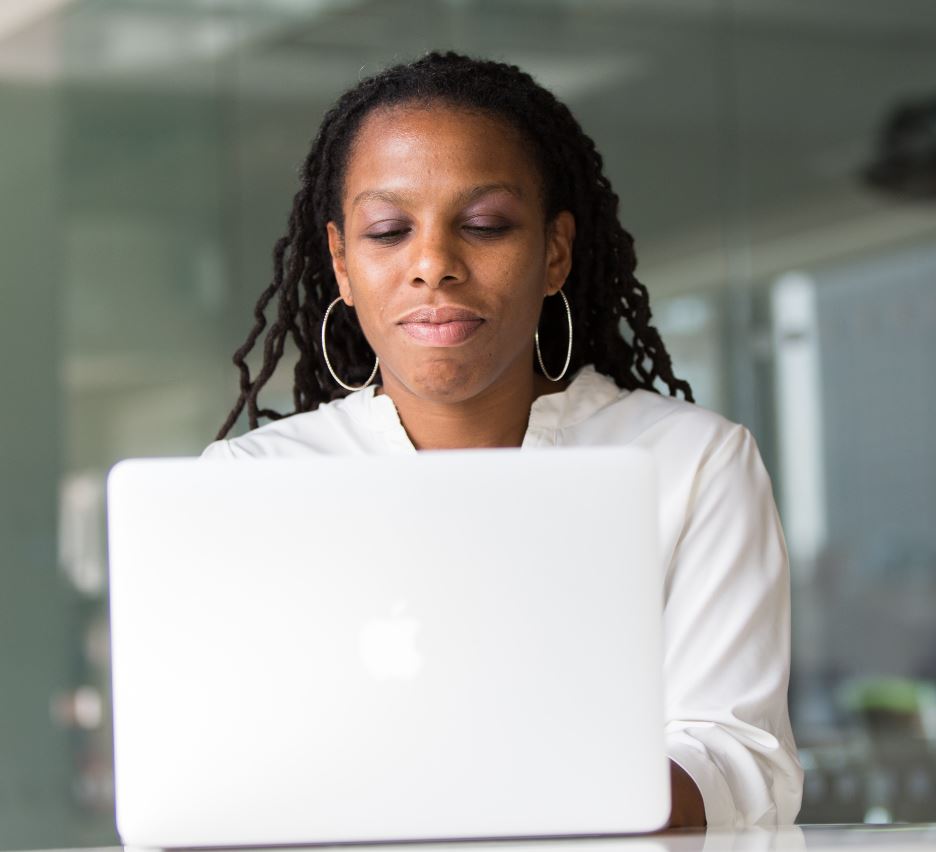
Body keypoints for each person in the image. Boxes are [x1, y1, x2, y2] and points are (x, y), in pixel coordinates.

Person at [202, 51, 803, 829]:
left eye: (484, 225)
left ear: (554, 252)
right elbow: (212, 766)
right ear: (342, 265)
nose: (434, 266)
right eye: (389, 231)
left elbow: (738, 760)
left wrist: (450, 791)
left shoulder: (689, 464)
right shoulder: (249, 483)